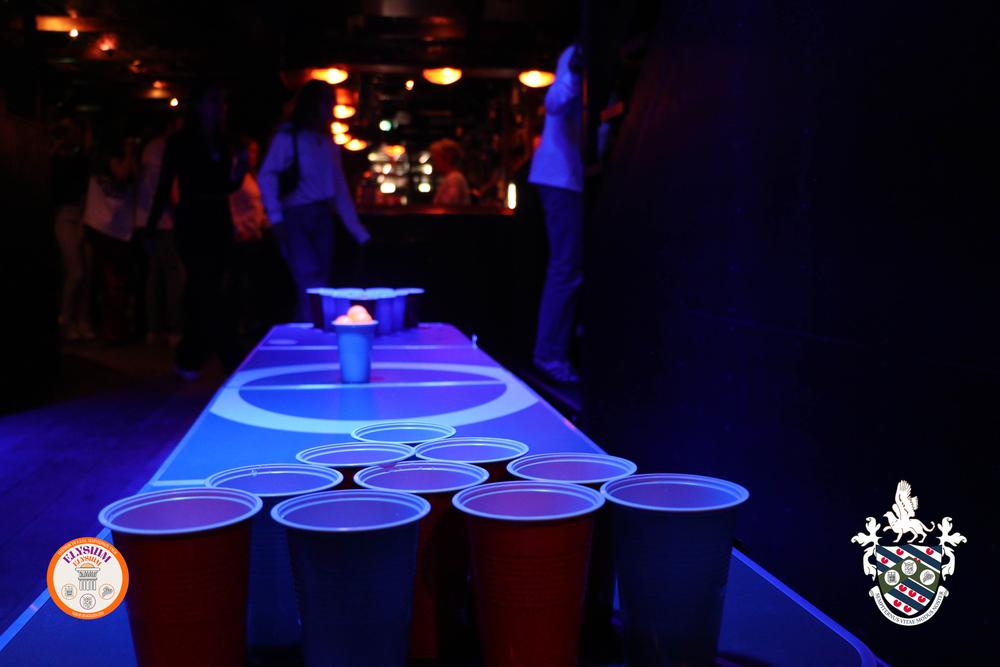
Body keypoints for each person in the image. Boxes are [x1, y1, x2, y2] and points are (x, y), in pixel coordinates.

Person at [147, 83, 248, 377]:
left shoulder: (222, 141)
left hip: (218, 217)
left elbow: (224, 187)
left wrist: (239, 172)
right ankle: (216, 353)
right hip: (193, 219)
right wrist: (151, 227)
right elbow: (165, 185)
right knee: (203, 285)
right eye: (214, 101)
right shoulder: (181, 142)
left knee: (210, 286)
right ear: (200, 106)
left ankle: (194, 353)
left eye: (222, 102)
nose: (220, 107)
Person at [258, 80, 371, 321]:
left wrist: (358, 231)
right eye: (327, 103)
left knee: (316, 284)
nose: (331, 109)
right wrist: (276, 218)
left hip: (322, 217)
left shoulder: (326, 141)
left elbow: (339, 187)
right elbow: (267, 175)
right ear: (314, 105)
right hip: (295, 217)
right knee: (311, 281)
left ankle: (308, 331)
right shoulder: (289, 136)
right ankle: (311, 332)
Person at [528, 43, 584, 383]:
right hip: (562, 177)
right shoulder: (578, 51)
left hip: (568, 177)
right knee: (566, 268)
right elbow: (555, 102)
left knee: (569, 268)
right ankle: (549, 355)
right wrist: (576, 70)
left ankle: (553, 352)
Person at [82, 132, 137, 344]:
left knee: (115, 283)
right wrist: (129, 153)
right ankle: (107, 329)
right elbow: (122, 174)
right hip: (102, 229)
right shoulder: (105, 161)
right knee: (107, 282)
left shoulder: (127, 163)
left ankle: (113, 328)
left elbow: (132, 176)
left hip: (116, 230)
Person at [135, 116, 184, 345]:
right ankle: (170, 328)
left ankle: (154, 328)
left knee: (155, 275)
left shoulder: (150, 149)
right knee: (171, 276)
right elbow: (166, 190)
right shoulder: (162, 150)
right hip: (163, 222)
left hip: (147, 219)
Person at [50, 118, 94, 341]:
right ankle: (66, 320)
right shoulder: (54, 160)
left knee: (86, 272)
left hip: (84, 215)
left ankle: (82, 320)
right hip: (65, 216)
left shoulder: (82, 159)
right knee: (75, 271)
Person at [430, 138, 470, 206]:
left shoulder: (454, 179)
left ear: (448, 157)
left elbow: (448, 206)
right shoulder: (452, 178)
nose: (434, 163)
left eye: (436, 158)